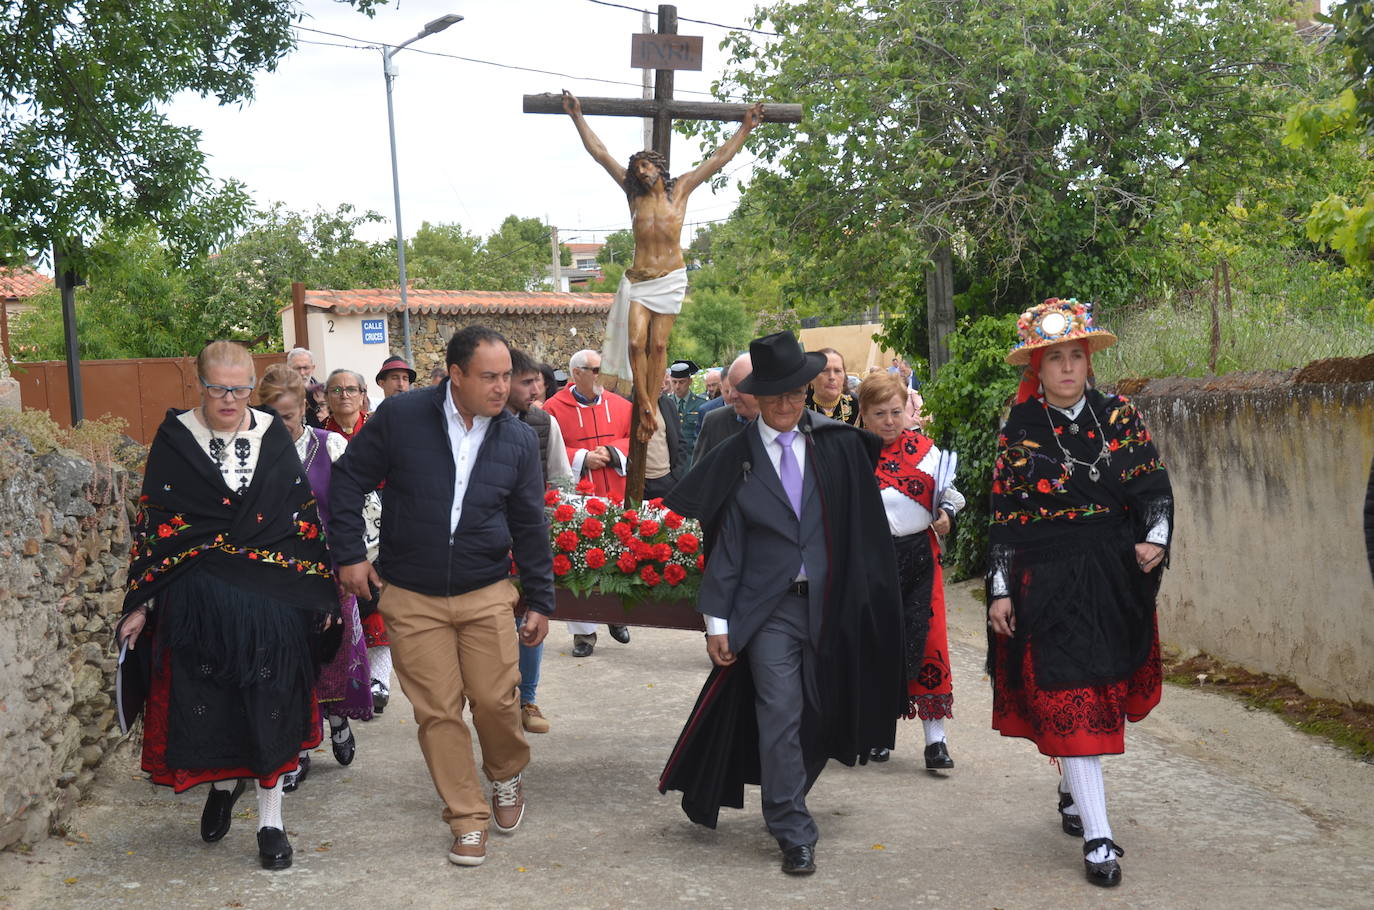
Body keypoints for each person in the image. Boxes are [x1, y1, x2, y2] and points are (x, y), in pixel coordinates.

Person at [659, 331, 905, 876]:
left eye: (797, 392)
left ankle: (788, 789)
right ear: (756, 400)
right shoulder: (735, 459)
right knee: (780, 712)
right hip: (769, 613)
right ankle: (791, 826)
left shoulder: (837, 446)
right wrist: (716, 621)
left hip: (833, 605)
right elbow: (724, 546)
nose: (789, 404)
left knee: (822, 713)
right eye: (777, 397)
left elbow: (863, 531)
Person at [330, 325, 555, 868]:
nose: (503, 388)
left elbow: (530, 524)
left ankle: (505, 777)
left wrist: (541, 600)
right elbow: (347, 481)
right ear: (455, 375)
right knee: (438, 712)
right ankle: (466, 815)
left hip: (485, 591)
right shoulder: (402, 418)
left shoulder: (519, 438)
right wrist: (351, 553)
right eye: (490, 377)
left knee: (498, 701)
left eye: (508, 377)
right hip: (411, 594)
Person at [115, 341, 336, 870]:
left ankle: (270, 820)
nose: (231, 399)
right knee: (211, 708)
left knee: (271, 707)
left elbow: (298, 519)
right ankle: (223, 787)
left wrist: (317, 591)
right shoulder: (174, 439)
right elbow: (157, 529)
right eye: (220, 388)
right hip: (198, 607)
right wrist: (141, 603)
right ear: (200, 384)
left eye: (240, 388)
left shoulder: (271, 436)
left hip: (272, 602)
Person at [986, 298, 1173, 888]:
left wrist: (1156, 538)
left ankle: (1071, 786)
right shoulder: (1016, 430)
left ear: (1088, 362)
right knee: (1074, 696)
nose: (1067, 368)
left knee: (1102, 694)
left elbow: (1154, 489)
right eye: (1054, 359)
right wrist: (998, 590)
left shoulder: (1120, 416)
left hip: (1114, 579)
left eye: (1075, 356)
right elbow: (1003, 517)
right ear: (1035, 370)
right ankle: (1098, 839)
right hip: (1046, 583)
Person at [562, 90, 763, 443]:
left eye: (646, 165)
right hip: (640, 280)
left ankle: (650, 404)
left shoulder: (680, 190)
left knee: (658, 348)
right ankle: (643, 401)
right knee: (636, 342)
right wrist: (577, 116)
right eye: (637, 168)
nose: (641, 171)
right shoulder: (632, 195)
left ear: (658, 166)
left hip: (670, 278)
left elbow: (717, 160)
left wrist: (745, 128)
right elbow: (600, 154)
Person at [255, 365, 372, 791]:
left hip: (327, 571)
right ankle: (299, 750)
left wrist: (349, 564)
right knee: (288, 663)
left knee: (330, 656)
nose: (277, 425)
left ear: (303, 408)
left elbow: (353, 510)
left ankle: (338, 719)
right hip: (274, 575)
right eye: (269, 416)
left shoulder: (331, 446)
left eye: (285, 416)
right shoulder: (252, 453)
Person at [857, 372, 964, 768]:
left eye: (896, 411)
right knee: (879, 646)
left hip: (921, 557)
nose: (889, 420)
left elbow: (951, 493)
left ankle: (935, 740)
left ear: (907, 409)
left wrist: (947, 515)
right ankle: (877, 732)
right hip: (873, 563)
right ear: (864, 415)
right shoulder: (855, 453)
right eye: (879, 413)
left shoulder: (927, 450)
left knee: (930, 644)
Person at [542, 348, 634, 657]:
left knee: (619, 557)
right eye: (593, 370)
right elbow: (549, 449)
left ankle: (617, 617)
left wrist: (610, 451)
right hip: (577, 497)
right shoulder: (553, 409)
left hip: (615, 493)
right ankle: (584, 634)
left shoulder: (621, 405)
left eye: (602, 369)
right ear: (576, 373)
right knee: (578, 561)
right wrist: (582, 457)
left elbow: (634, 438)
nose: (599, 376)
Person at [507, 347, 575, 734]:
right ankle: (502, 699)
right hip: (488, 539)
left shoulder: (544, 423)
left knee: (532, 616)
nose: (537, 388)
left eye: (539, 381)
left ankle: (528, 699)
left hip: (531, 535)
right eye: (528, 381)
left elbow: (561, 479)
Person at [693, 353, 756, 462]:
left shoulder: (779, 418)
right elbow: (698, 473)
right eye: (729, 389)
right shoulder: (714, 421)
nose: (732, 395)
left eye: (739, 387)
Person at [805, 347, 861, 426]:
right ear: (812, 377)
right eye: (824, 370)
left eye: (837, 371)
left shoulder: (858, 405)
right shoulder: (799, 407)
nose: (832, 377)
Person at [667, 359, 706, 467]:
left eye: (681, 382)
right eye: (674, 382)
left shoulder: (701, 404)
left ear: (690, 381)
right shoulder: (666, 403)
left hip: (692, 460)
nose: (677, 386)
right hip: (671, 461)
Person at [287, 347, 324, 428]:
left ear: (313, 368)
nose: (302, 373)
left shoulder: (324, 393)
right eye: (297, 368)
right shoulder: (280, 395)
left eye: (306, 368)